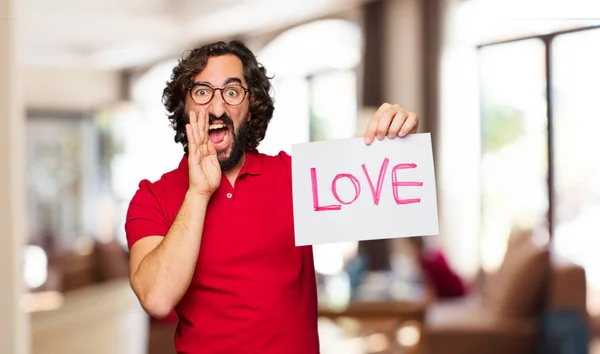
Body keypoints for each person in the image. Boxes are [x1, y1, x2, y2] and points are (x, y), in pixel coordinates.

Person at [125, 40, 419, 354]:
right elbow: (156, 298)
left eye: (232, 91)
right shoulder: (151, 197)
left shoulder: (297, 176)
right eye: (202, 92)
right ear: (185, 107)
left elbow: (389, 192)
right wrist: (198, 193)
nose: (217, 107)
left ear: (250, 109)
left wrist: (397, 143)